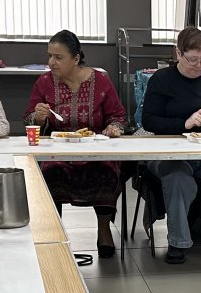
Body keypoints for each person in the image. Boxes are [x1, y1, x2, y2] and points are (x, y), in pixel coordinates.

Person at [141, 26, 201, 265]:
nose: (199, 65)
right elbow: (148, 120)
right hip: (168, 153)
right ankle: (178, 242)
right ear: (178, 54)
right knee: (178, 177)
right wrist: (183, 124)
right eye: (193, 59)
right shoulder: (161, 80)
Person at [25, 30, 127, 258]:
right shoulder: (44, 83)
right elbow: (28, 120)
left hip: (96, 150)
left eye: (58, 57)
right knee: (50, 173)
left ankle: (103, 230)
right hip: (58, 153)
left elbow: (118, 116)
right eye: (50, 56)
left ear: (76, 58)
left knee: (108, 170)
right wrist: (39, 118)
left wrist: (114, 128)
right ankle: (55, 234)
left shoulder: (100, 80)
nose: (51, 62)